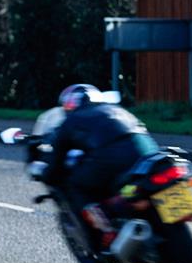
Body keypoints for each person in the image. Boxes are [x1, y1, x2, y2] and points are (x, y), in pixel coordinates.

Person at [42, 83, 159, 247]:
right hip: (148, 151)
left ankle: (106, 229)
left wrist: (49, 175)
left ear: (70, 104)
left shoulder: (71, 120)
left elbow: (58, 158)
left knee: (75, 186)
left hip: (111, 156)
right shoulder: (118, 110)